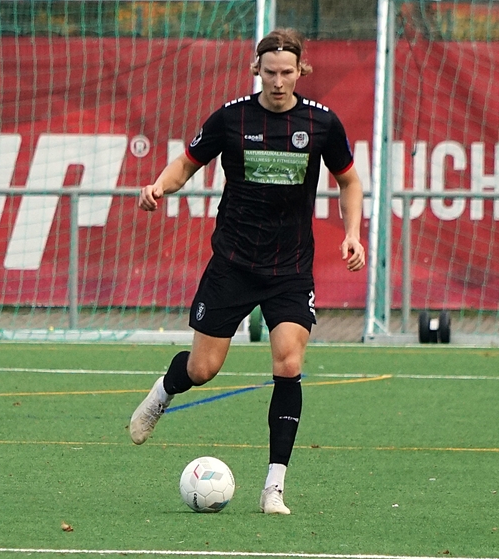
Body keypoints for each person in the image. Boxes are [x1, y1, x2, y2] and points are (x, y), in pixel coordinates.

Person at [129, 28, 365, 515]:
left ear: (301, 71)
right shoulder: (232, 118)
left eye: (287, 72)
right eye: (270, 72)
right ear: (257, 69)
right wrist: (159, 187)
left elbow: (349, 181)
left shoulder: (321, 123)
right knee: (203, 369)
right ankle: (163, 392)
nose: (278, 81)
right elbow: (187, 163)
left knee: (289, 363)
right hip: (233, 263)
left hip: (290, 269)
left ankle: (273, 487)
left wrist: (352, 233)